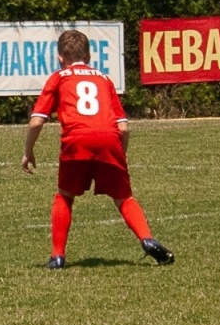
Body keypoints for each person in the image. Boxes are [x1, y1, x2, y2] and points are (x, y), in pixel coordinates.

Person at [23, 29, 173, 269]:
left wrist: (28, 150)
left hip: (76, 140)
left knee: (64, 195)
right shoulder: (104, 79)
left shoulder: (59, 78)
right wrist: (119, 155)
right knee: (123, 197)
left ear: (60, 57)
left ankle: (58, 256)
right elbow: (123, 128)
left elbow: (37, 120)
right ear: (90, 56)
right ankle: (147, 239)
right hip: (109, 140)